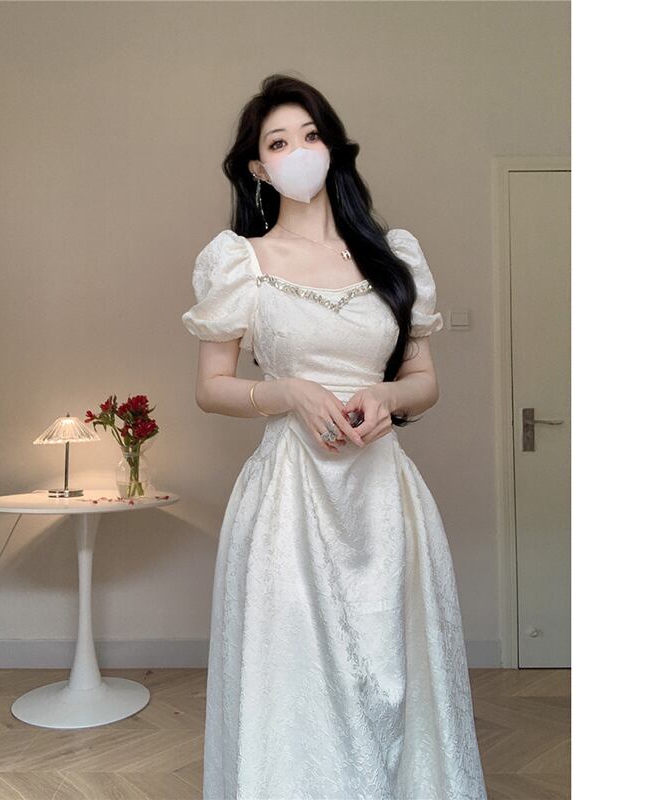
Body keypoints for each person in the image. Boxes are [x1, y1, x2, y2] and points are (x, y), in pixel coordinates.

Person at [181, 74, 487, 800]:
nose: (298, 151)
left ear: (333, 147)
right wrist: (286, 392)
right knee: (296, 680)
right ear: (258, 168)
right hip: (289, 502)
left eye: (310, 135)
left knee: (397, 671)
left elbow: (423, 379)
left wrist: (388, 395)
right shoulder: (240, 261)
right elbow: (210, 387)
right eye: (278, 142)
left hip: (383, 497)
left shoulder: (392, 254)